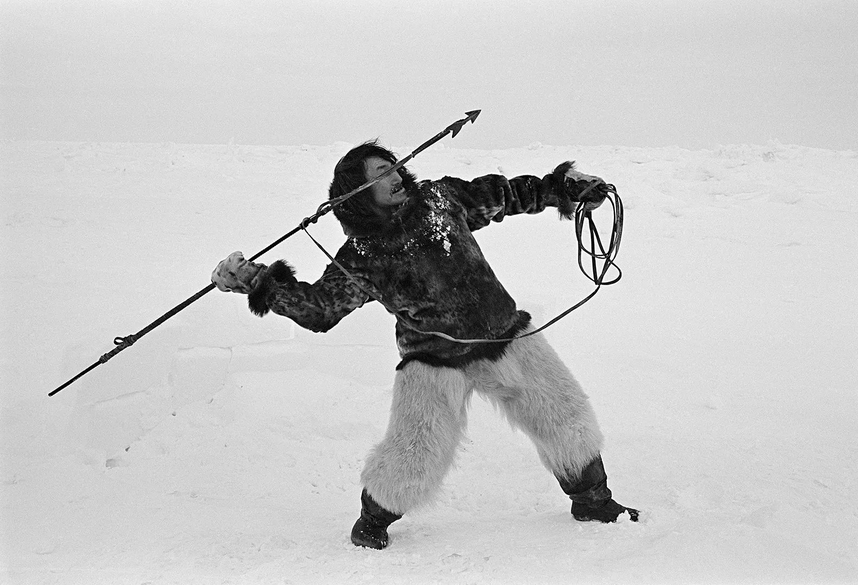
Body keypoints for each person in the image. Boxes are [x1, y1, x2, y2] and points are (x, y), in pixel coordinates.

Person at [211, 140, 639, 550]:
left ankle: (594, 503)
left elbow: (505, 195)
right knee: (413, 456)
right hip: (433, 362)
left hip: (506, 336)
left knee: (566, 418)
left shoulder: (440, 200)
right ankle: (372, 523)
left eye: (394, 165)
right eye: (381, 173)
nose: (396, 175)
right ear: (359, 193)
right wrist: (256, 280)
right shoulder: (362, 253)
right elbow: (321, 309)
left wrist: (562, 187)